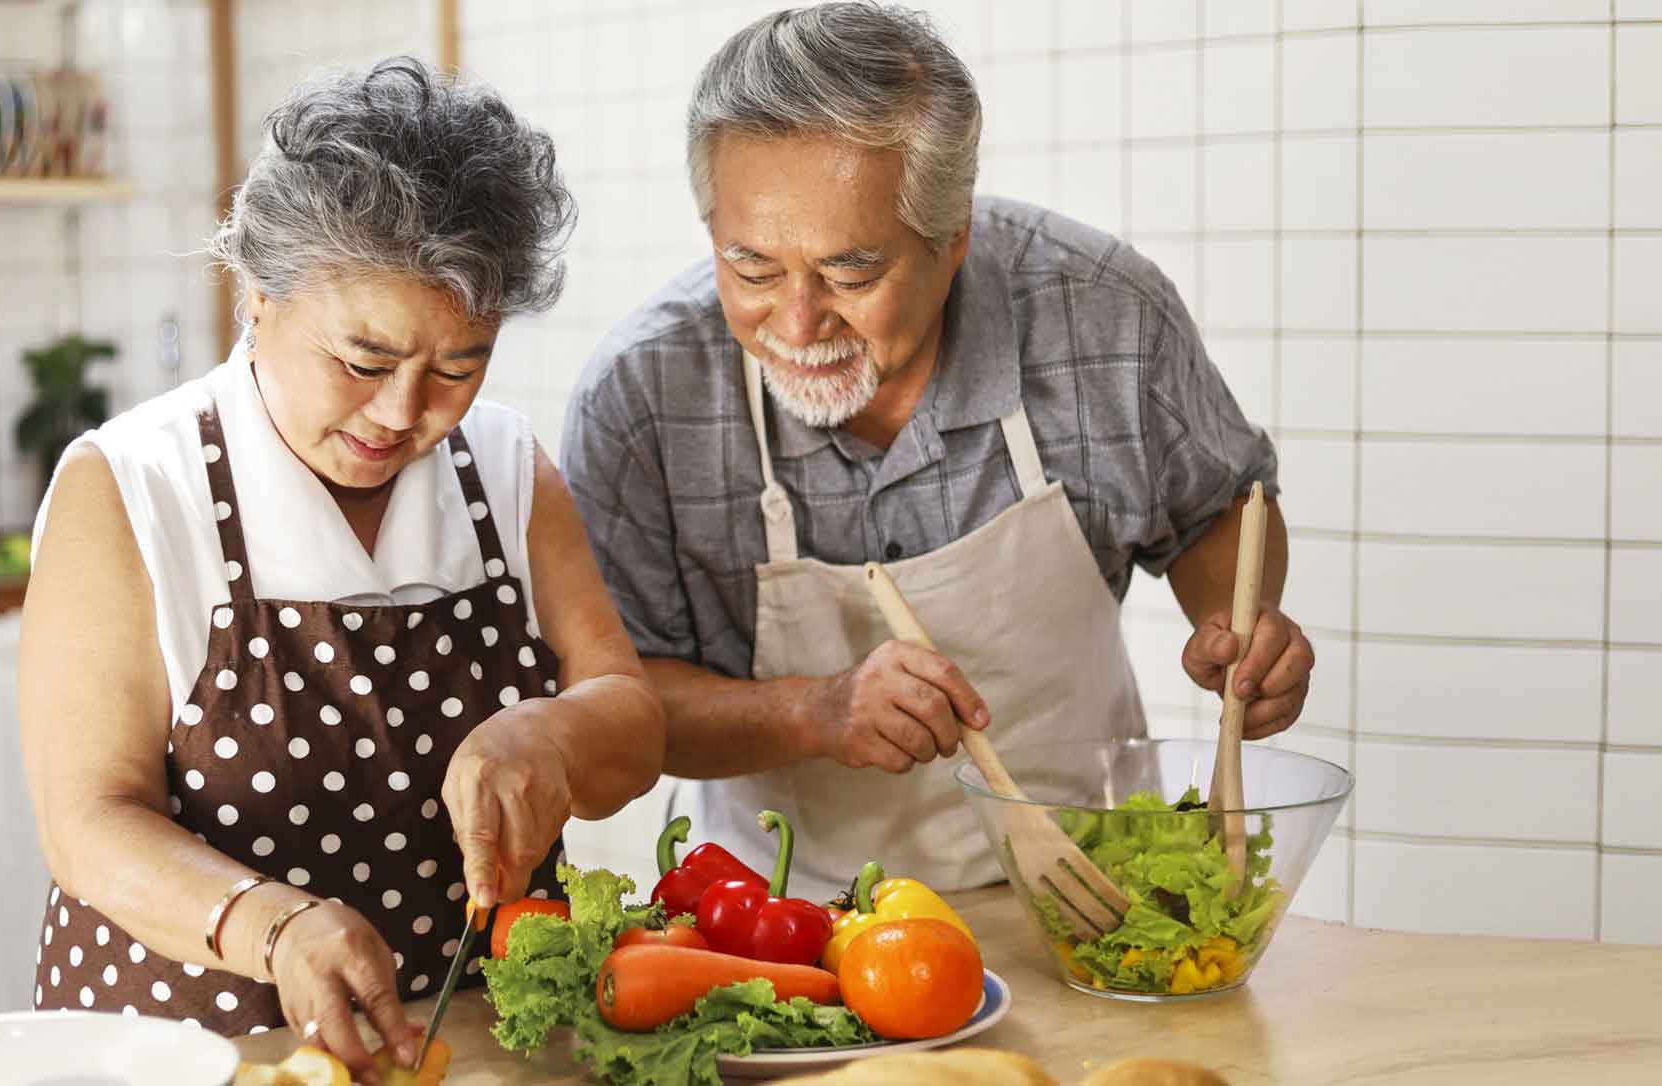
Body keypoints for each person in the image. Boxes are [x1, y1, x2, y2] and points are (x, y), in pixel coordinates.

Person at [562, 3, 1317, 894]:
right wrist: (817, 711)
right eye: (753, 268)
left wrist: (1236, 627)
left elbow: (1216, 510)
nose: (797, 324)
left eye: (851, 271)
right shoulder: (642, 397)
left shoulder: (1100, 315)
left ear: (952, 237)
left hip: (1091, 894)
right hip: (783, 926)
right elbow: (620, 705)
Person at [18, 57, 665, 1075]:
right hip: (199, 1051)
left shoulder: (503, 468)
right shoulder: (136, 488)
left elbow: (630, 720)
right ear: (259, 297)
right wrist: (274, 927)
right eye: (362, 362)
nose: (405, 413)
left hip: (474, 1048)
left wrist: (552, 732)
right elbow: (87, 823)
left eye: (458, 366)